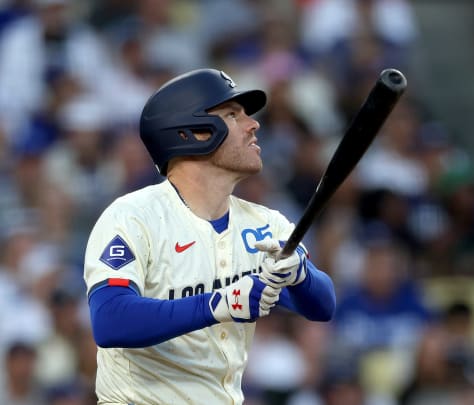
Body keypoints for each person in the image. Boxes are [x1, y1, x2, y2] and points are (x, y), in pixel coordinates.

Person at [82, 68, 336, 404]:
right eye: (233, 115)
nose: (253, 124)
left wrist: (299, 275)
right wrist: (221, 302)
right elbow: (110, 321)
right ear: (193, 133)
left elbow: (323, 306)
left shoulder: (265, 223)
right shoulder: (133, 216)